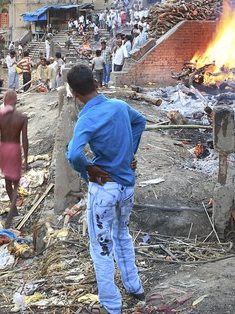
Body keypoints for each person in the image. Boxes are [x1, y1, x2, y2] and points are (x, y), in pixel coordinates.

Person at [65, 64, 145, 313]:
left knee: (101, 245)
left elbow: (74, 153)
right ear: (97, 84)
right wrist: (130, 152)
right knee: (122, 235)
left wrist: (87, 170)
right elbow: (140, 122)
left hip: (104, 189)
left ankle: (112, 305)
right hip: (126, 186)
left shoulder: (86, 118)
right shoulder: (120, 107)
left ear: (73, 92)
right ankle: (135, 287)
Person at [0, 90, 29, 228]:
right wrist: (27, 158)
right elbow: (24, 139)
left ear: (5, 99)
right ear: (16, 100)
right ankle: (12, 213)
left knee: (7, 180)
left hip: (3, 149)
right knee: (16, 183)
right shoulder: (22, 117)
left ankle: (14, 210)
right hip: (15, 149)